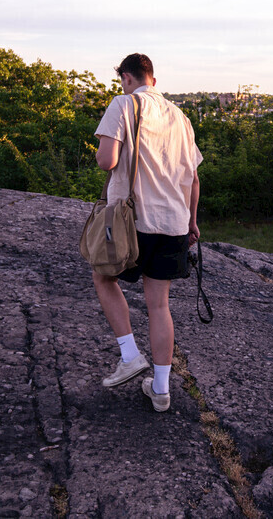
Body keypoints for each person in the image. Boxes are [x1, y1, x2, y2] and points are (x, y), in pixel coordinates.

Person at [91, 53, 202, 412]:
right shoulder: (181, 116)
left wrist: (103, 152)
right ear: (152, 77)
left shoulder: (123, 104)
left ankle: (129, 355)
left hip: (133, 222)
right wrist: (192, 222)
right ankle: (160, 389)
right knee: (159, 305)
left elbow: (107, 160)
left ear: (127, 77)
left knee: (103, 277)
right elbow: (194, 178)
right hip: (174, 223)